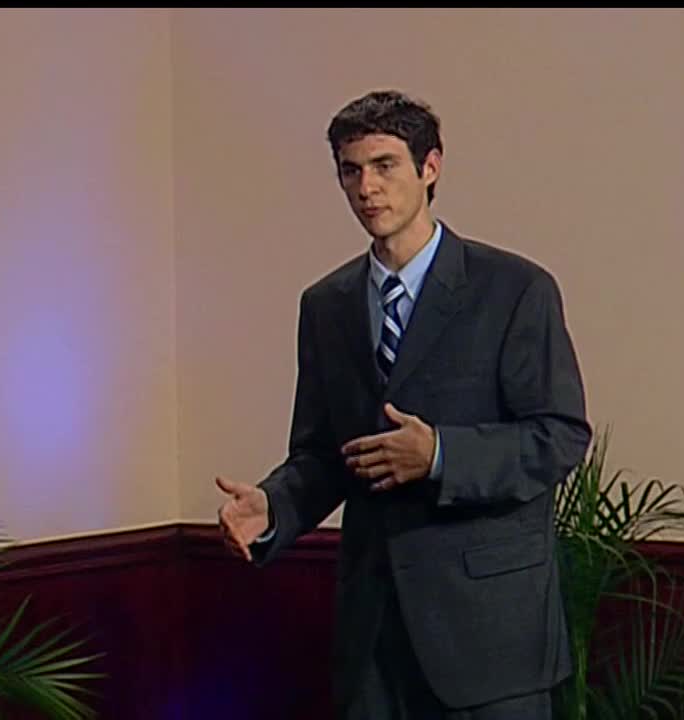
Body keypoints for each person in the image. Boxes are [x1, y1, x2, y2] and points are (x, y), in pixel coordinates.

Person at [215, 89, 591, 720]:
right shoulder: (326, 305)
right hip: (373, 639)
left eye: (385, 165)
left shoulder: (514, 289)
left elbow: (558, 436)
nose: (367, 187)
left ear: (430, 167)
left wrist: (440, 454)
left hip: (490, 642)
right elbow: (325, 453)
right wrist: (273, 506)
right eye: (351, 170)